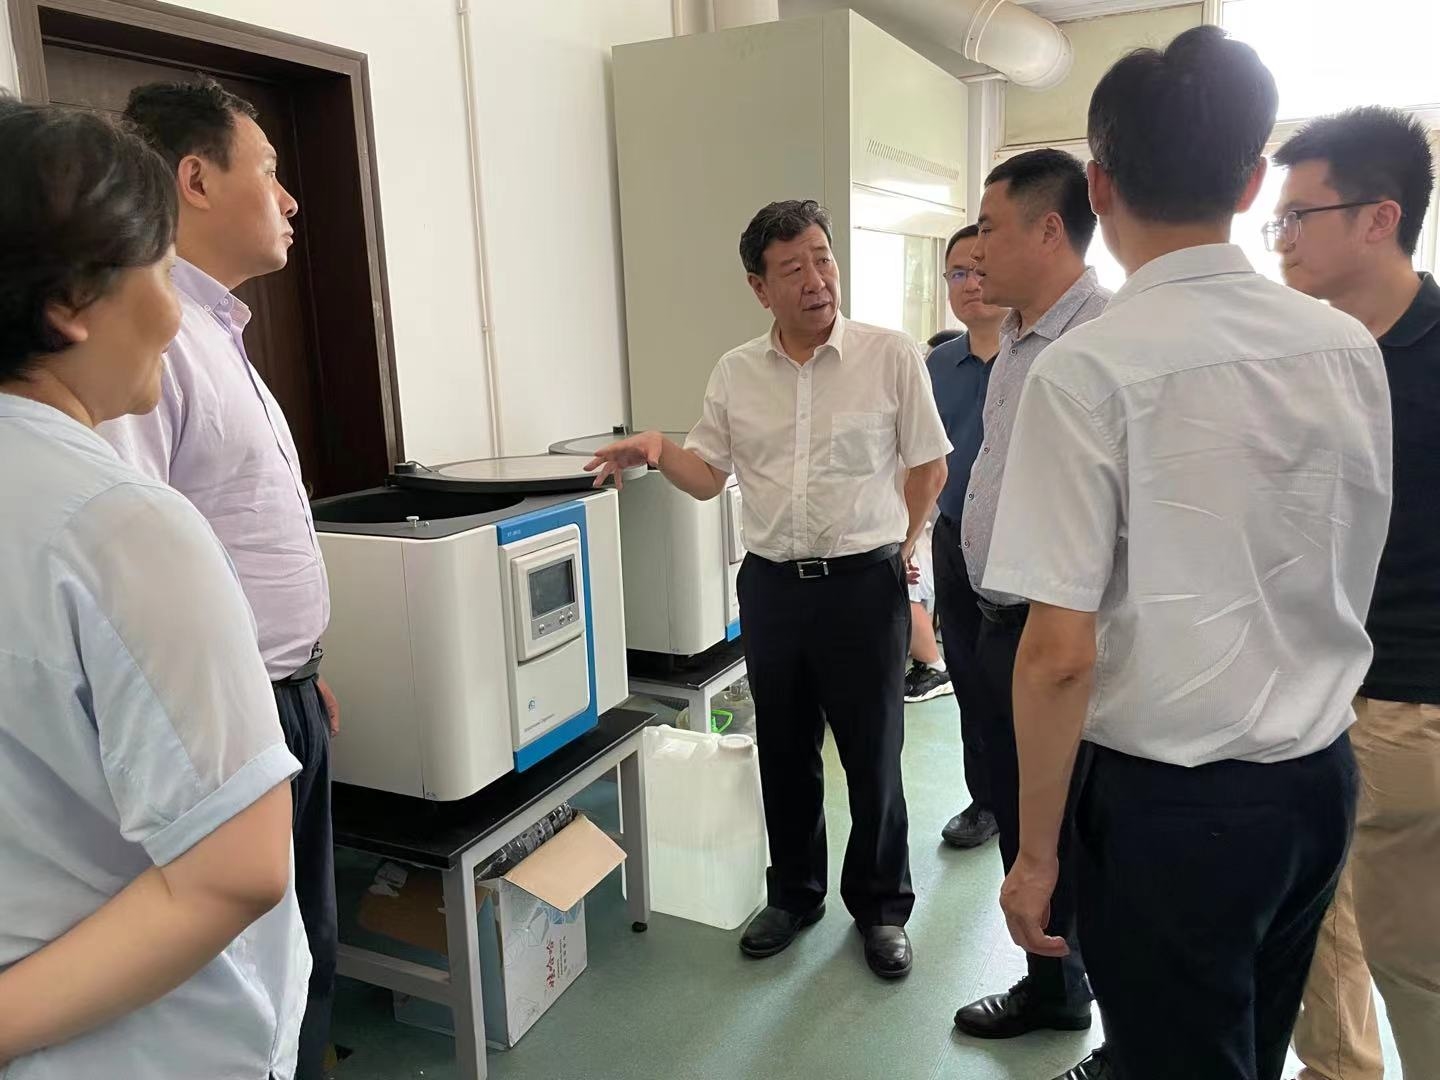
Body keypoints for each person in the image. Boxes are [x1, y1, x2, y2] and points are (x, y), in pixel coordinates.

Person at [992, 27, 1392, 1080]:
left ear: (1099, 185)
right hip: (1319, 780)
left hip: (1173, 807)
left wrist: (1036, 857)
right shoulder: (1348, 347)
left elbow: (1058, 654)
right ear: (1253, 180)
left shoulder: (1087, 371)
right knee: (1253, 1045)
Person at [0, 98, 309, 1079]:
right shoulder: (117, 521)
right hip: (141, 1043)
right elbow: (237, 873)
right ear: (71, 301)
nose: (173, 315)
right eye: (158, 272)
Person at [586, 199, 950, 979]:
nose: (816, 279)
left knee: (874, 757)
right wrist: (657, 449)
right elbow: (706, 475)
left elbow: (930, 466)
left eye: (823, 259)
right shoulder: (736, 372)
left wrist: (902, 546)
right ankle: (794, 895)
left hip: (863, 586)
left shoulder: (889, 355)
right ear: (760, 288)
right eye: (793, 268)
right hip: (774, 589)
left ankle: (881, 909)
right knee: (783, 750)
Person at [97, 77, 337, 1080]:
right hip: (227, 722)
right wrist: (252, 697)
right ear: (194, 180)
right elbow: (134, 576)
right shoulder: (151, 343)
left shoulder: (220, 333)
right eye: (270, 171)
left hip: (285, 697)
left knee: (307, 955)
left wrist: (302, 668)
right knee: (253, 987)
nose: (290, 199)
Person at [1272, 106, 1440, 1080]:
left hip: (1408, 702)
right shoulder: (1307, 356)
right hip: (1308, 694)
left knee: (1413, 962)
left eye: (1301, 217)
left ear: (1380, 219)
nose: (1283, 239)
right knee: (1315, 933)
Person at [948, 150, 1111, 1080]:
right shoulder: (1015, 336)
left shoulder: (1103, 341)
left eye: (990, 228)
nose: (975, 250)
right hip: (992, 619)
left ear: (1050, 229)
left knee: (1085, 834)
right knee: (1020, 812)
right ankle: (1051, 986)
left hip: (1061, 633)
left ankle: (1114, 1020)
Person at [930, 223, 1009, 849]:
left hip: (1019, 546)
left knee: (1019, 680)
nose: (971, 283)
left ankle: (1031, 800)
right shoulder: (937, 365)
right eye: (958, 273)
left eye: (980, 269)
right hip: (952, 538)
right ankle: (985, 800)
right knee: (967, 673)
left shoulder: (1037, 356)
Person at [903, 517, 952, 704]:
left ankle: (935, 668)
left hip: (915, 542)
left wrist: (905, 547)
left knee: (905, 598)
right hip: (916, 539)